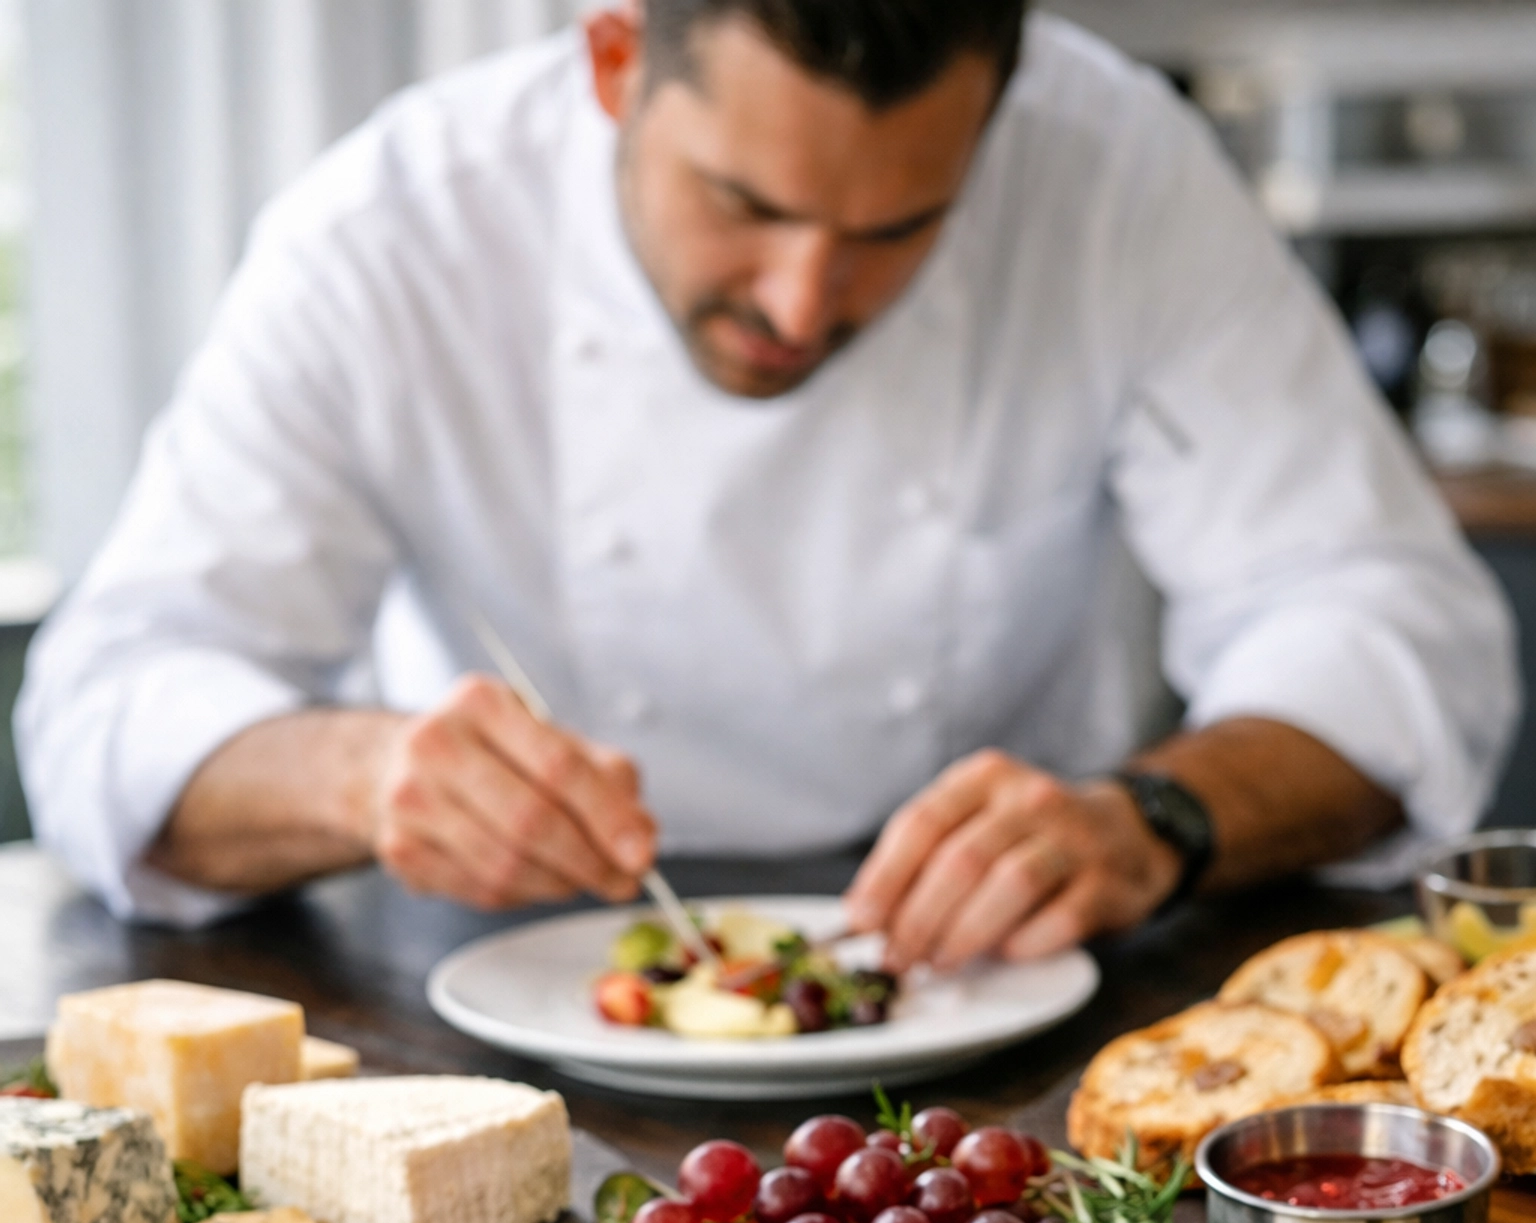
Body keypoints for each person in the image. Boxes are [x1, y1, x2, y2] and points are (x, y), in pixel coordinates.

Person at [18, 0, 1518, 970]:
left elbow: (1389, 618)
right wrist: (360, 774)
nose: (803, 301)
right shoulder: (391, 227)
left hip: (998, 993)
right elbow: (102, 707)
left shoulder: (1113, 167)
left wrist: (1158, 817)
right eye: (745, 203)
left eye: (897, 229)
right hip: (489, 1003)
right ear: (616, 61)